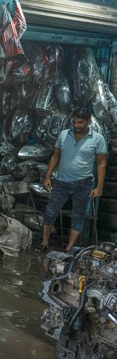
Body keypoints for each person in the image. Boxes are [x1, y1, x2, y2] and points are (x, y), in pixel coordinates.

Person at [41, 107, 107, 252]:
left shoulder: (98, 139)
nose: (76, 125)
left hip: (83, 184)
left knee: (78, 216)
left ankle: (69, 249)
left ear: (88, 122)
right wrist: (47, 176)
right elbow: (55, 156)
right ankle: (44, 243)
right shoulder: (64, 135)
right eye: (74, 122)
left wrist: (99, 187)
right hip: (61, 182)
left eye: (80, 123)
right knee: (50, 212)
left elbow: (101, 163)